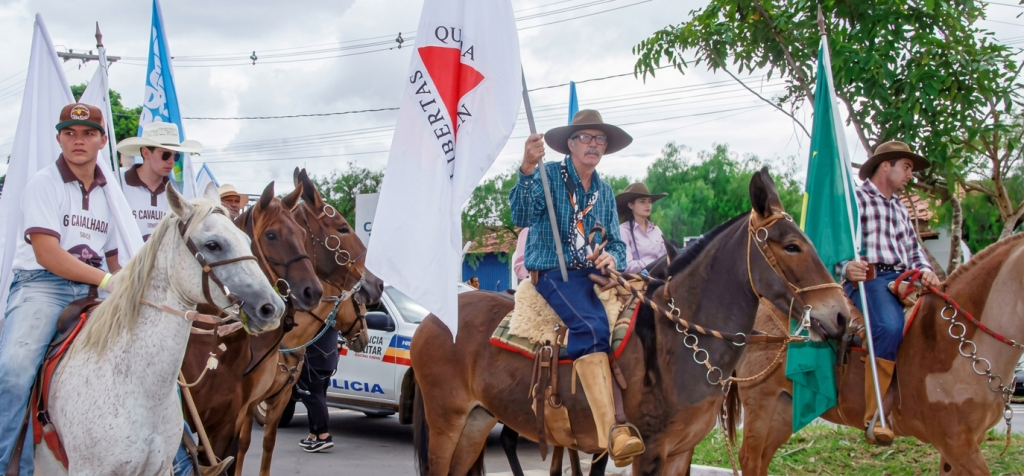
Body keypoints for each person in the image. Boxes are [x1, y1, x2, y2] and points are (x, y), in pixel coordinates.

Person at [509, 109, 642, 467]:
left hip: (592, 275)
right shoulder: (547, 175)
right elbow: (519, 216)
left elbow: (616, 243)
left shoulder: (604, 190)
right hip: (554, 272)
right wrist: (525, 168)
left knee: (643, 318)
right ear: (570, 144)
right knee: (592, 326)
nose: (593, 145)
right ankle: (609, 430)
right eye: (586, 137)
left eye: (599, 139)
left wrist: (612, 259)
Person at [0, 103, 123, 474]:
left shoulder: (110, 193)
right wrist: (107, 281)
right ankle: (8, 464)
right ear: (59, 139)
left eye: (87, 133)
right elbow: (48, 254)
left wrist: (130, 287)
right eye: (70, 133)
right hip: (41, 285)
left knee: (151, 354)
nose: (78, 140)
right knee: (14, 368)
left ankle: (181, 458)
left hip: (94, 290)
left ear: (102, 140)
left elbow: (116, 259)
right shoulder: (43, 183)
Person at [839, 140, 940, 446]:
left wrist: (925, 270)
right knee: (889, 326)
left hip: (904, 279)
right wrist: (845, 268)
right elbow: (833, 243)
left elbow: (913, 250)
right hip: (869, 279)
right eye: (906, 167)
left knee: (939, 319)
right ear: (886, 165)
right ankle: (876, 416)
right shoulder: (854, 200)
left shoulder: (898, 206)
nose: (911, 174)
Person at [116, 122, 203, 241]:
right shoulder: (118, 181)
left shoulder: (177, 193)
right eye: (165, 155)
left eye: (176, 156)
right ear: (146, 153)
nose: (171, 161)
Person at [297, 326, 339, 453]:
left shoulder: (318, 310)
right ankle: (313, 434)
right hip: (328, 358)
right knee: (318, 396)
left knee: (313, 397)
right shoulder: (332, 310)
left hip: (314, 359)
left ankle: (323, 436)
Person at [615, 183, 667, 274]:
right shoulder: (623, 231)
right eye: (642, 201)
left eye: (649, 201)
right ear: (631, 205)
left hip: (662, 278)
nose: (648, 205)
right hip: (638, 282)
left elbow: (667, 257)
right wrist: (656, 264)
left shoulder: (657, 230)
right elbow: (626, 265)